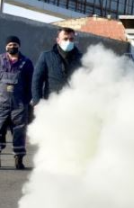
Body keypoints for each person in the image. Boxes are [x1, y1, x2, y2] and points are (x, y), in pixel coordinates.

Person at [0, 36, 34, 169]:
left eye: (14, 44)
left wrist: (26, 101)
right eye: (9, 44)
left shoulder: (26, 62)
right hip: (1, 103)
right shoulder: (0, 60)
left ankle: (18, 159)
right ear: (5, 46)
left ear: (19, 46)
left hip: (19, 104)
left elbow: (30, 83)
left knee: (19, 132)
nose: (12, 46)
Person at [32, 27, 83, 106]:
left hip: (74, 105)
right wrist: (37, 103)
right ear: (58, 40)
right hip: (51, 104)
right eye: (65, 39)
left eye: (71, 39)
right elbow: (37, 81)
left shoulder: (81, 58)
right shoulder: (46, 56)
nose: (68, 42)